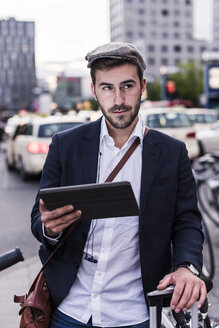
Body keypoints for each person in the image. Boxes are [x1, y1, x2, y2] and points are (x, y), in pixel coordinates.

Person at [31, 42, 206, 328]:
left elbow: (186, 220)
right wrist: (49, 229)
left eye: (127, 86)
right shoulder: (65, 145)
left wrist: (186, 267)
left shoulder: (171, 152)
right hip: (70, 308)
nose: (119, 99)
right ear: (94, 90)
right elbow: (38, 218)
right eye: (107, 88)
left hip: (136, 312)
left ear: (143, 86)